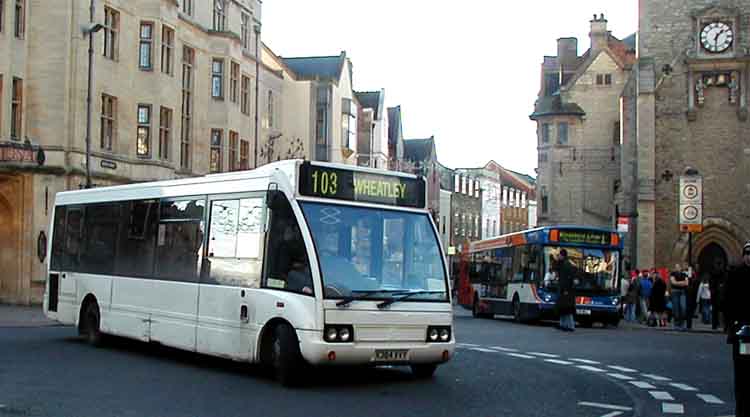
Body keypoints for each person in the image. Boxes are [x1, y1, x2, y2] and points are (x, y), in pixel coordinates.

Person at [724, 241, 750, 417]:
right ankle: (741, 409)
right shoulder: (735, 274)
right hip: (744, 333)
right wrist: (732, 324)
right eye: (747, 254)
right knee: (743, 371)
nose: (749, 257)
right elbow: (727, 301)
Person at [555, 249, 576, 332]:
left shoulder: (566, 265)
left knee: (566, 309)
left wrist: (566, 289)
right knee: (563, 309)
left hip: (566, 291)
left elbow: (567, 279)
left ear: (562, 255)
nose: (558, 256)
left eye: (559, 255)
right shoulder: (564, 263)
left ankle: (570, 326)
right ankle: (563, 324)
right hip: (564, 290)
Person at [670, 264, 689, 331]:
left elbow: (686, 283)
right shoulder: (672, 274)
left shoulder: (684, 274)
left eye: (678, 267)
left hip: (682, 292)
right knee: (676, 308)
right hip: (675, 292)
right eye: (675, 267)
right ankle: (676, 324)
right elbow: (673, 282)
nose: (677, 268)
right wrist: (682, 282)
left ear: (680, 268)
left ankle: (682, 324)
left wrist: (677, 282)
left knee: (683, 307)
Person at [710, 258, 727, 330]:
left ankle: (716, 325)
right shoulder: (722, 273)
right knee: (721, 311)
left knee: (717, 310)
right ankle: (722, 326)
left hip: (718, 294)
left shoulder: (714, 273)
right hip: (719, 294)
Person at [685, 265, 700, 330]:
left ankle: (689, 324)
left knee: (691, 309)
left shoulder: (696, 276)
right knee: (689, 309)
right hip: (689, 294)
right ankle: (688, 325)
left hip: (694, 294)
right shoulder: (689, 276)